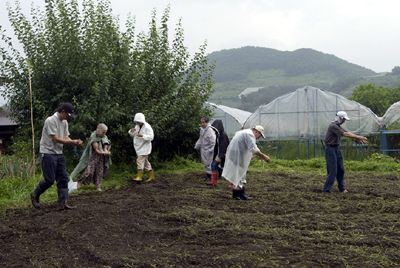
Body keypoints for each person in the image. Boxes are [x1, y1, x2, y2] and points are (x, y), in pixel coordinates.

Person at [30, 102, 83, 210]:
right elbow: (55, 139)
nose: (68, 118)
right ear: (62, 111)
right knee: (49, 179)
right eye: (68, 115)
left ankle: (62, 203)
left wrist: (74, 141)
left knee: (63, 178)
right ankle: (35, 194)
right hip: (48, 152)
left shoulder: (64, 122)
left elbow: (66, 137)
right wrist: (71, 142)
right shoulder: (50, 120)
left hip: (59, 153)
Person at [323, 111, 368, 193]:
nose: (344, 121)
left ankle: (342, 188)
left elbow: (347, 133)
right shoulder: (333, 126)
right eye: (343, 119)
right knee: (333, 171)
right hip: (330, 149)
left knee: (341, 169)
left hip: (336, 148)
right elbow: (345, 134)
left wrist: (357, 139)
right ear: (340, 118)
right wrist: (360, 137)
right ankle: (326, 190)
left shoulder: (338, 126)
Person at [222, 125, 270, 200]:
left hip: (235, 154)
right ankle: (237, 195)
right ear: (256, 131)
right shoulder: (249, 134)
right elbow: (254, 149)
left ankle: (240, 194)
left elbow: (250, 147)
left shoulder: (245, 132)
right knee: (239, 173)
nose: (259, 138)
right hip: (237, 155)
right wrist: (264, 157)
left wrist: (251, 155)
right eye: (259, 135)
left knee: (240, 173)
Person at [69, 123, 111, 192]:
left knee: (99, 171)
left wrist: (106, 151)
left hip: (101, 158)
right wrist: (105, 153)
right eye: (103, 132)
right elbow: (97, 150)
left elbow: (105, 145)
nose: (104, 134)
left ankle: (98, 186)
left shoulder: (104, 136)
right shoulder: (93, 136)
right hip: (92, 157)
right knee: (88, 172)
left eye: (105, 132)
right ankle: (78, 184)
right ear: (98, 130)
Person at [128, 113, 155, 182]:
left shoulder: (148, 127)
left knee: (139, 161)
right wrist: (131, 131)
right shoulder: (137, 126)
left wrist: (143, 135)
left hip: (145, 148)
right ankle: (151, 176)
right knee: (146, 163)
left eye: (138, 121)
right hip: (139, 147)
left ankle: (139, 177)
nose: (137, 123)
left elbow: (151, 137)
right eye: (136, 121)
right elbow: (133, 134)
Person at [207, 119, 230, 186]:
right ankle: (214, 181)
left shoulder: (222, 135)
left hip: (223, 154)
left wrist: (220, 156)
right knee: (215, 166)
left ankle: (214, 182)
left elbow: (223, 146)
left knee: (214, 165)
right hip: (220, 154)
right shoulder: (217, 134)